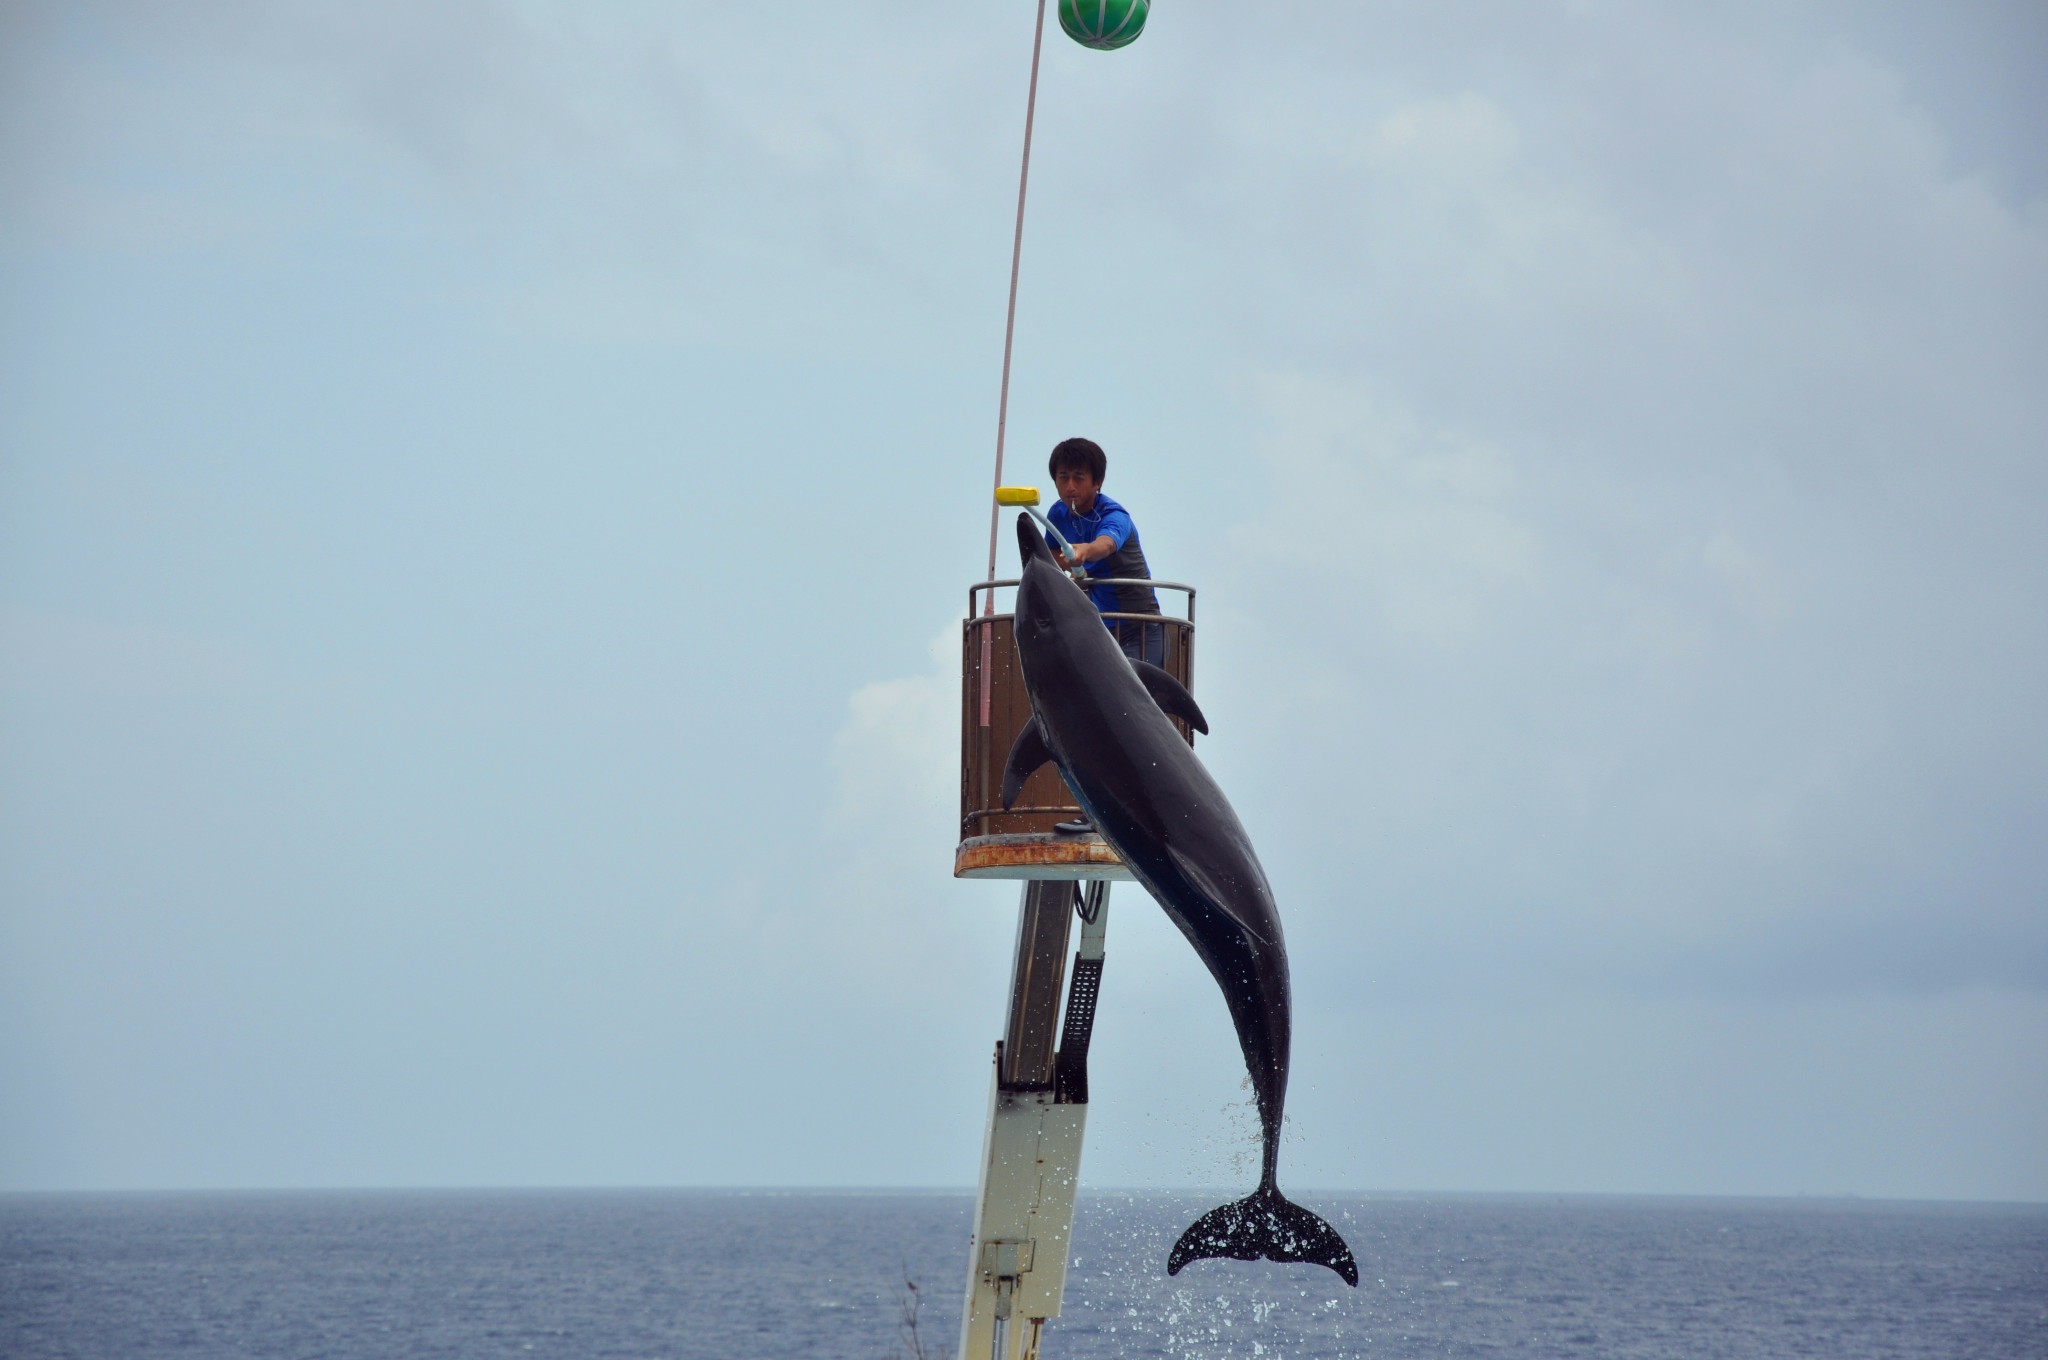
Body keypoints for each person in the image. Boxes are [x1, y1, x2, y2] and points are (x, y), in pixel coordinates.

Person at [1043, 437, 1166, 667]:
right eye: (1063, 478)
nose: (1070, 486)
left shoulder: (1113, 515)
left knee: (1137, 693)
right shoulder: (1057, 513)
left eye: (1079, 478)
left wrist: (1084, 551)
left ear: (1097, 482)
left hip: (1138, 627)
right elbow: (1048, 553)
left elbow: (1106, 544)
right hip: (1096, 629)